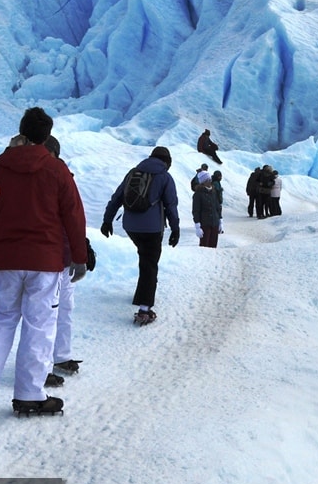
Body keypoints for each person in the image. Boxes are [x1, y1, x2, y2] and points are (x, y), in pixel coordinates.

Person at [0, 108, 88, 417]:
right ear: (47, 136)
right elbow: (74, 215)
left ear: (21, 131)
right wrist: (79, 257)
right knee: (39, 326)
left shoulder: (0, 168)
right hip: (45, 262)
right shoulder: (56, 170)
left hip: (8, 260)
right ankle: (28, 395)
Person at [101, 146, 180, 326]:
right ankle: (144, 309)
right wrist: (175, 229)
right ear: (167, 162)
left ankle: (142, 292)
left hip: (131, 227)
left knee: (145, 258)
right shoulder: (165, 177)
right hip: (152, 229)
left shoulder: (133, 172)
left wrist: (107, 220)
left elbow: (117, 197)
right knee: (150, 264)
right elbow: (171, 205)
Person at [44, 136, 95, 383]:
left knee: (65, 307)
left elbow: (74, 218)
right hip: (47, 258)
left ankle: (60, 355)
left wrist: (79, 251)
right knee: (44, 313)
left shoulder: (63, 176)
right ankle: (40, 365)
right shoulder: (44, 176)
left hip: (62, 256)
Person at [192, 170, 222, 248]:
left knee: (213, 247)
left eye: (209, 179)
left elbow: (217, 207)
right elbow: (196, 211)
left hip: (215, 223)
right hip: (205, 224)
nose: (209, 181)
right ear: (202, 182)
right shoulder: (198, 194)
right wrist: (197, 226)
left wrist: (220, 221)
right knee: (204, 247)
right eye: (206, 180)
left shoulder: (213, 192)